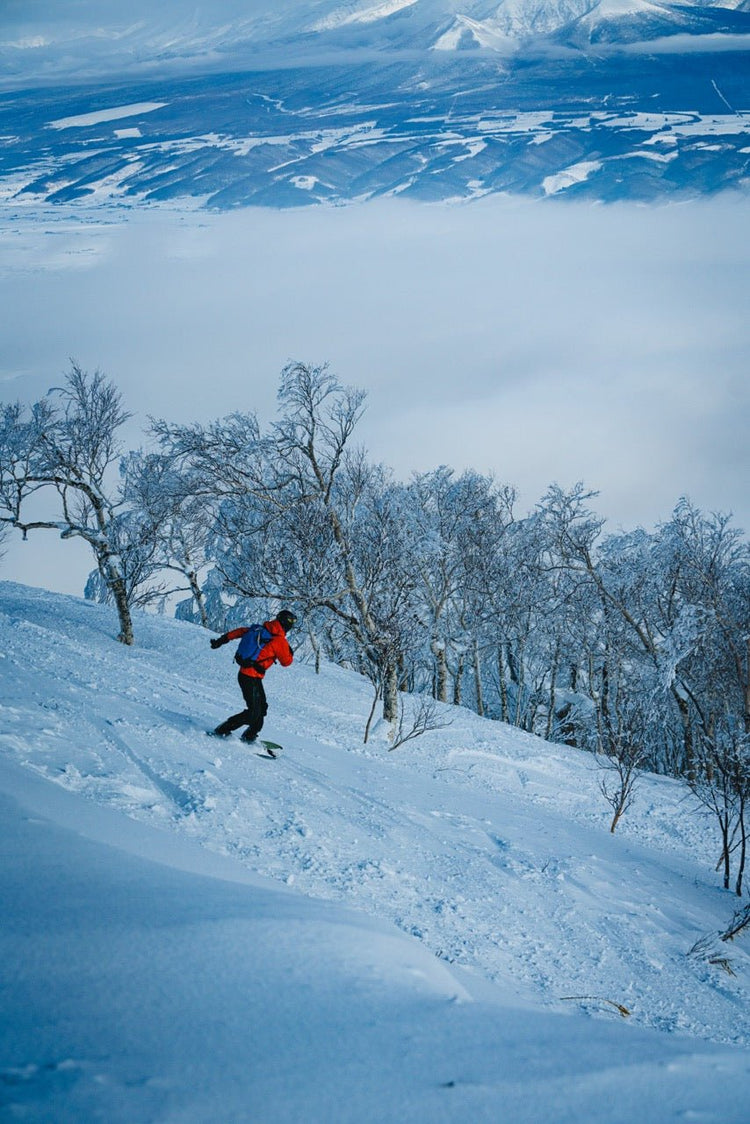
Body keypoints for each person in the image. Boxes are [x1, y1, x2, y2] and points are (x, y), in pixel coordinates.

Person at [208, 609, 296, 743]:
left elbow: (240, 632)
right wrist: (290, 651)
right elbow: (286, 662)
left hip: (248, 675)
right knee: (253, 712)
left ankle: (250, 735)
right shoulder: (279, 640)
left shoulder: (259, 629)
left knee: (261, 708)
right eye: (291, 622)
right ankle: (223, 730)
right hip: (250, 677)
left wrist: (221, 640)